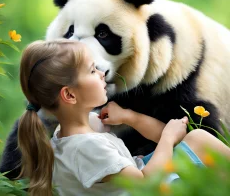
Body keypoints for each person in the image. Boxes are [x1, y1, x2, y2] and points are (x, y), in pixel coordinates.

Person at [17, 39, 230, 196]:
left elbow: (167, 136)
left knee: (197, 138)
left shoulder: (84, 127)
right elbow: (145, 184)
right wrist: (168, 137)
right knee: (201, 145)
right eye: (91, 71)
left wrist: (130, 118)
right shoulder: (85, 147)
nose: (101, 73)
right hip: (147, 186)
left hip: (143, 177)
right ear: (70, 95)